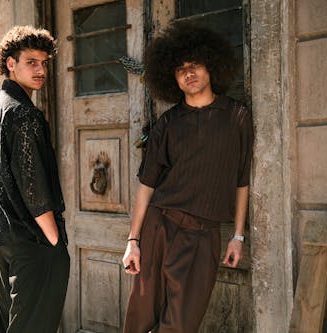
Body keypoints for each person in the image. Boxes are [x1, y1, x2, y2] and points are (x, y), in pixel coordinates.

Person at [122, 22, 254, 333]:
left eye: (194, 65)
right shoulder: (167, 124)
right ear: (172, 78)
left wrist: (237, 236)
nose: (188, 73)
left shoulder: (237, 116)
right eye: (180, 69)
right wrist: (133, 241)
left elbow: (242, 178)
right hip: (159, 228)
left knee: (181, 325)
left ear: (211, 65)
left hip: (203, 235)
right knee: (139, 321)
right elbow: (147, 184)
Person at [0, 25, 69, 333]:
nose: (40, 69)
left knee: (7, 325)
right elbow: (33, 185)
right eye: (31, 61)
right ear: (10, 63)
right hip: (32, 241)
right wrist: (54, 240)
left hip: (3, 240)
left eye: (44, 62)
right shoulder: (23, 113)